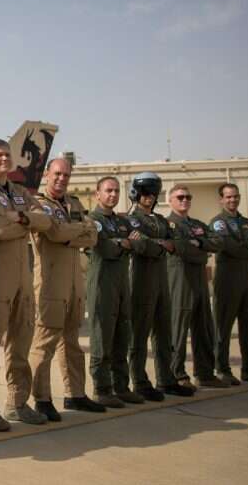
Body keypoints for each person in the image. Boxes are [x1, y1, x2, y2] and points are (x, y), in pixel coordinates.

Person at [0, 139, 53, 429]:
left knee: (21, 341)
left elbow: (46, 221)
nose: (4, 159)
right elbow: (0, 229)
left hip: (21, 279)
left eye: (7, 155)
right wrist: (26, 223)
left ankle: (17, 403)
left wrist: (21, 216)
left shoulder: (18, 192)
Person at [28, 158, 106, 421]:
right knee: (44, 342)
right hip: (50, 282)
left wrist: (71, 232)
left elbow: (92, 236)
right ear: (47, 174)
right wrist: (77, 231)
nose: (62, 178)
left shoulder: (73, 203)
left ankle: (76, 394)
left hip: (74, 283)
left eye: (66, 175)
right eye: (57, 174)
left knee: (71, 341)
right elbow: (54, 234)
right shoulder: (38, 204)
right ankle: (41, 399)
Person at [126, 172, 194, 400]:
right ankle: (140, 382)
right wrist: (162, 244)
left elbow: (179, 244)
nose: (149, 196)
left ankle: (166, 379)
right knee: (139, 334)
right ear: (136, 193)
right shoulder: (131, 220)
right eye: (145, 192)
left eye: (153, 193)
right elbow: (142, 246)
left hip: (162, 281)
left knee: (164, 332)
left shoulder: (161, 220)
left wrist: (160, 244)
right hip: (141, 281)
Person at [86, 177, 144, 408]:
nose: (113, 194)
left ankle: (121, 386)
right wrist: (124, 243)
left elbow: (139, 243)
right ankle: (102, 389)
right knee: (102, 336)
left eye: (116, 191)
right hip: (102, 283)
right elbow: (104, 248)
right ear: (97, 193)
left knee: (122, 334)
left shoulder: (121, 221)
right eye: (108, 190)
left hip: (121, 283)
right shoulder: (92, 220)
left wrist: (123, 242)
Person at [209, 183, 248, 385]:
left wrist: (244, 244)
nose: (232, 200)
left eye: (235, 196)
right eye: (228, 197)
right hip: (227, 279)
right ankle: (222, 369)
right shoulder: (218, 222)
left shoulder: (247, 222)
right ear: (221, 199)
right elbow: (228, 246)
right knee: (223, 326)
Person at [165, 184, 224, 388]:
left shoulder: (197, 224)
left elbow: (218, 242)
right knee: (178, 330)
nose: (185, 200)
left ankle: (205, 373)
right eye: (180, 197)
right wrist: (202, 251)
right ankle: (177, 375)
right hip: (180, 280)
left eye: (188, 197)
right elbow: (182, 248)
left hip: (199, 281)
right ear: (170, 201)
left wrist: (199, 244)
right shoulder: (167, 225)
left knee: (204, 327)